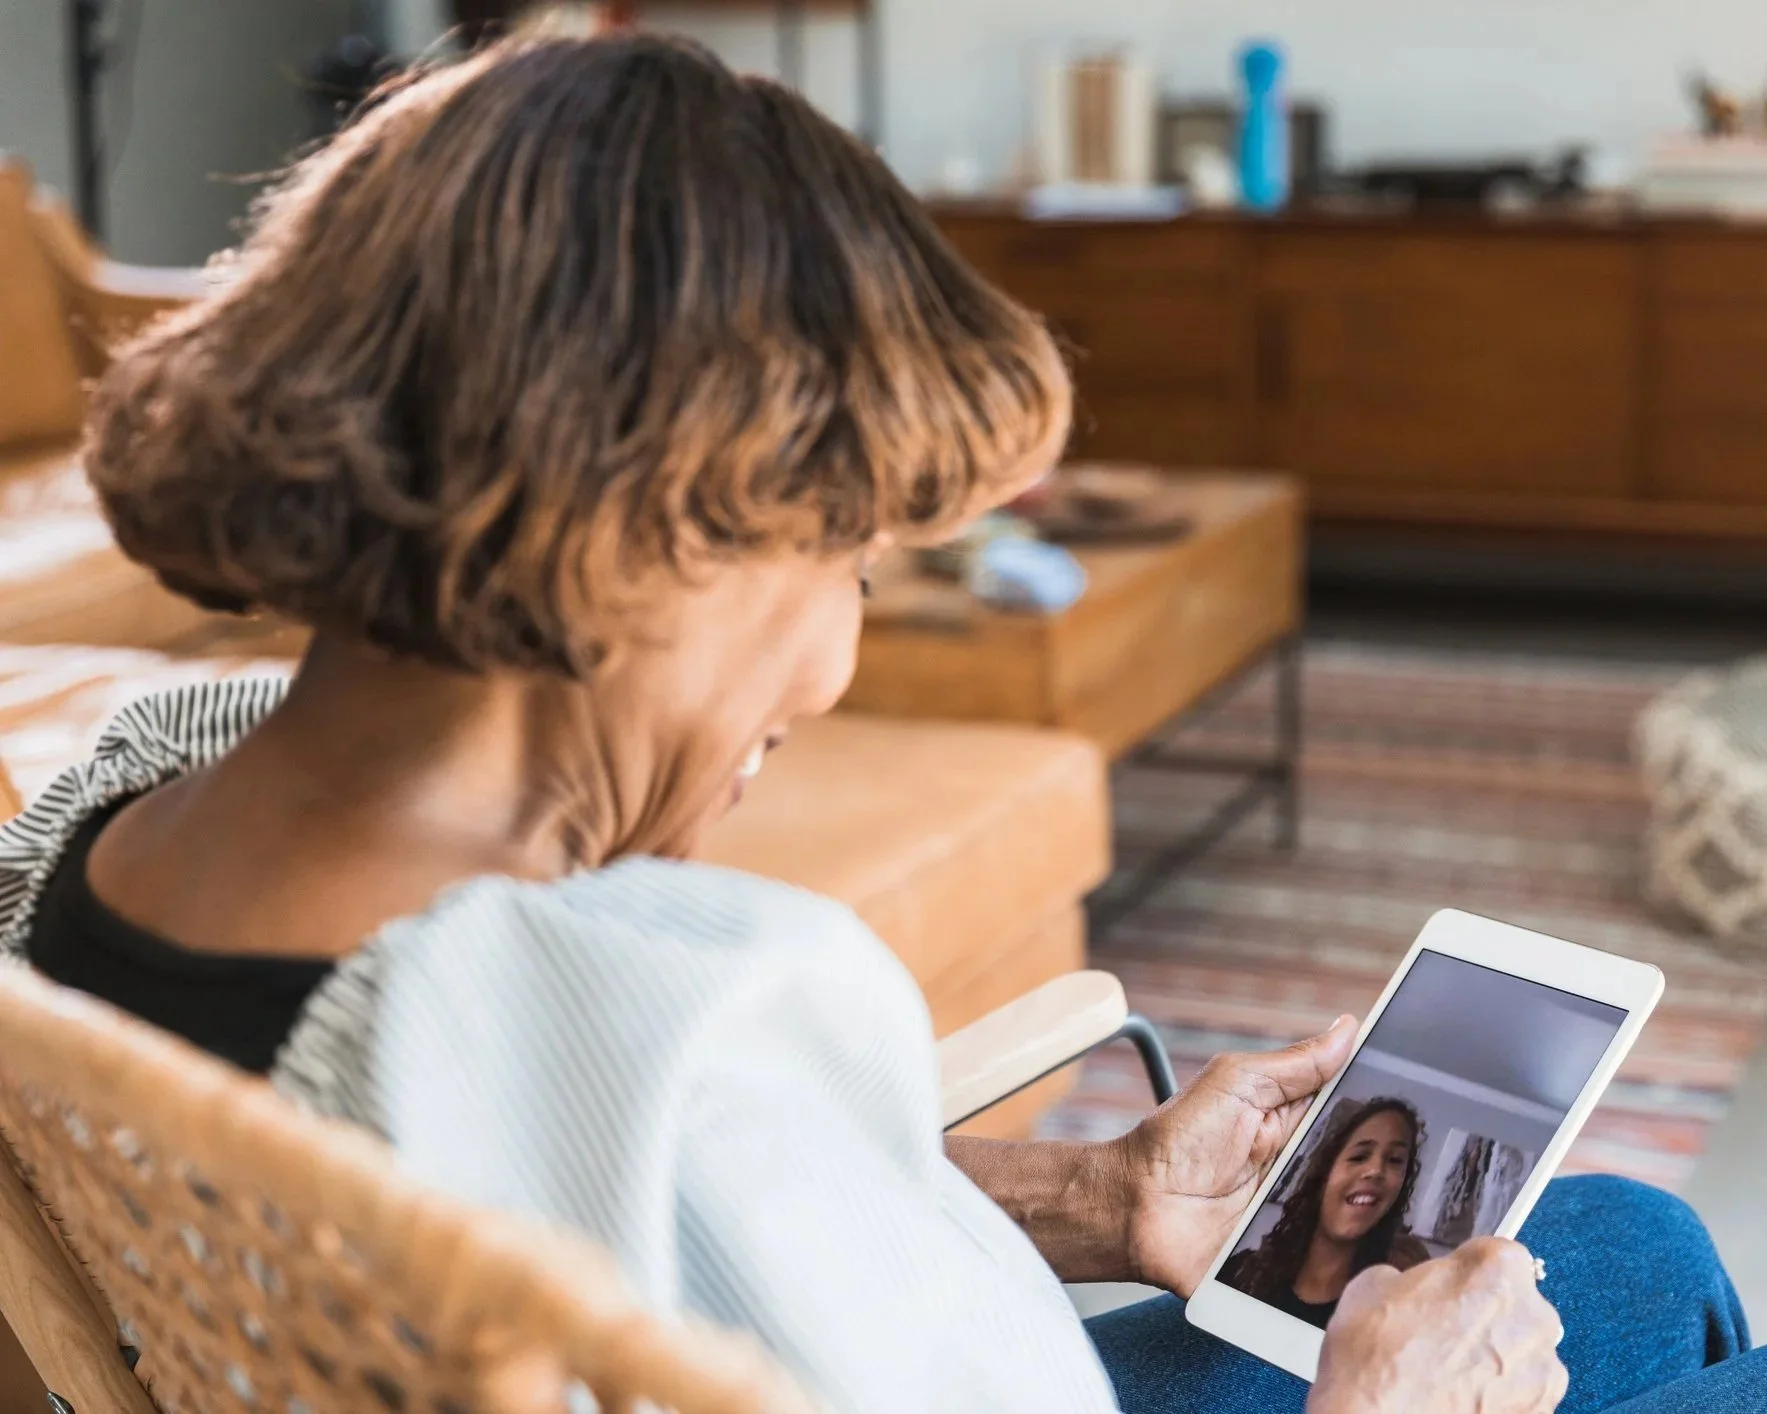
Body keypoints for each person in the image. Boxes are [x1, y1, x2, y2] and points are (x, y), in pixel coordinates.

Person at [0, 31, 1756, 1414]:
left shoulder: (99, 841)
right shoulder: (675, 1008)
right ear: (663, 526)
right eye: (846, 559)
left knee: (1624, 1242)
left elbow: (621, 1233)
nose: (835, 662)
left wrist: (1094, 1196)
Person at [1220, 1097, 1431, 1329]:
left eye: (1394, 1160)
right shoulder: (1238, 1273)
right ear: (1324, 1175)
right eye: (1359, 1156)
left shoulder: (1387, 1313)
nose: (1375, 1171)